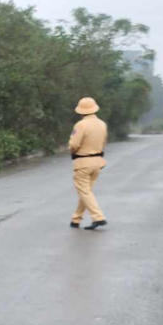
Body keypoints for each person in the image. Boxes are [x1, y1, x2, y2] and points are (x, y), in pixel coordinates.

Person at [69, 96, 108, 230]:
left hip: (83, 162)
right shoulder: (102, 124)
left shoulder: (81, 125)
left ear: (81, 111)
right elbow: (103, 143)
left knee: (84, 192)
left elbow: (74, 144)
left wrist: (72, 151)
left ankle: (98, 217)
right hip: (98, 162)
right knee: (86, 192)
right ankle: (76, 219)